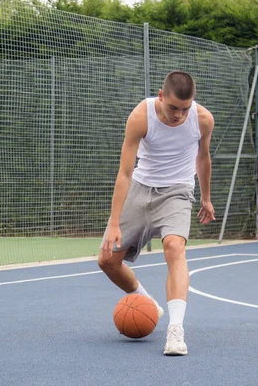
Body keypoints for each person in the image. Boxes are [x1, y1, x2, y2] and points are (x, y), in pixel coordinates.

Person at [98, 70, 215, 356]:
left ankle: (176, 330)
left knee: (174, 248)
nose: (178, 115)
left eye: (184, 109)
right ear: (161, 96)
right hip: (140, 187)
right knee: (107, 261)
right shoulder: (141, 115)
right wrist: (114, 222)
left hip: (177, 190)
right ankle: (149, 303)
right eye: (173, 107)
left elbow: (203, 157)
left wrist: (206, 198)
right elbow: (125, 172)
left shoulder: (203, 120)